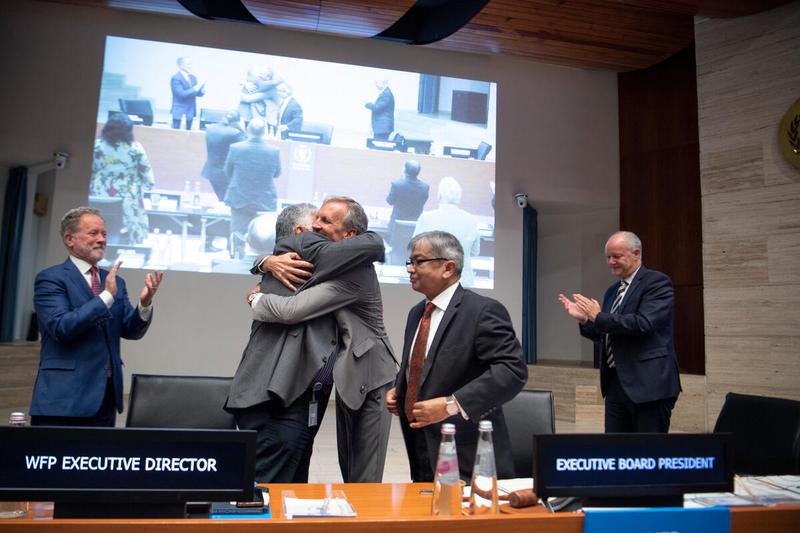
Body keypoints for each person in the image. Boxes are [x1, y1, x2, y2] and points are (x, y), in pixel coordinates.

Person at [225, 203, 387, 483]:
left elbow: (373, 243)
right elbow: (290, 311)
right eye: (313, 223)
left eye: (323, 222)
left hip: (344, 387)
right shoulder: (293, 267)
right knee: (273, 489)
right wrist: (264, 267)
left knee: (308, 481)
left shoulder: (330, 267)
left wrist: (259, 277)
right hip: (276, 399)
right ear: (299, 234)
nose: (315, 227)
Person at [385, 231, 527, 482]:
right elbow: (423, 363)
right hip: (420, 442)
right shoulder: (417, 312)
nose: (410, 269)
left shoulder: (483, 311)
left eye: (418, 261)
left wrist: (451, 404)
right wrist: (400, 388)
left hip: (466, 450)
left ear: (448, 267)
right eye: (410, 262)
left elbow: (512, 371)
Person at [29, 207, 163, 427]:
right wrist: (106, 297)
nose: (102, 239)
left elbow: (130, 330)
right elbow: (61, 327)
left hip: (105, 398)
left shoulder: (113, 281)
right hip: (63, 399)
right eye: (93, 233)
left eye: (104, 234)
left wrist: (145, 304)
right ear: (70, 239)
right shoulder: (51, 279)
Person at [558, 231, 681, 433]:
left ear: (636, 253)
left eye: (617, 256)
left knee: (647, 455)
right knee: (614, 452)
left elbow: (644, 323)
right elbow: (608, 334)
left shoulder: (657, 282)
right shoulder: (612, 291)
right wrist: (585, 320)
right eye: (608, 257)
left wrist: (598, 316)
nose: (611, 262)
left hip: (649, 386)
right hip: (616, 384)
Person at [90, 112, 155, 245]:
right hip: (128, 197)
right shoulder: (135, 148)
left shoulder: (96, 146)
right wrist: (148, 185)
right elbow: (145, 171)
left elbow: (88, 169)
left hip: (99, 195)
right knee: (128, 235)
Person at [223, 118, 281, 257]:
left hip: (240, 198)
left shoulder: (236, 148)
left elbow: (227, 171)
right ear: (264, 132)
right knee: (265, 236)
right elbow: (277, 173)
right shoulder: (273, 151)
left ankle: (236, 258)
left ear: (248, 130)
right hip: (264, 200)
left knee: (237, 232)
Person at [413, 177, 480, 287]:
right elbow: (475, 252)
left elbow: (415, 249)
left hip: (433, 280)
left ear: (439, 195)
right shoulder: (471, 220)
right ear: (459, 197)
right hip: (463, 282)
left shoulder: (426, 218)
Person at [201, 110, 245, 202]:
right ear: (236, 122)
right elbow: (247, 146)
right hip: (226, 174)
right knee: (230, 201)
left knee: (222, 199)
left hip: (211, 171)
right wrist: (241, 128)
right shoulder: (235, 133)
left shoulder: (210, 128)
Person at [386, 159, 429, 232]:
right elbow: (423, 202)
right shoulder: (425, 187)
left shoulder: (396, 184)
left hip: (396, 225)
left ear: (404, 170)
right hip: (415, 225)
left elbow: (390, 201)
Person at [239, 66, 281, 135]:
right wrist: (244, 83)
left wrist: (244, 86)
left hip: (271, 124)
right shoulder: (262, 86)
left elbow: (247, 99)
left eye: (261, 74)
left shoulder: (271, 89)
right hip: (259, 122)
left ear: (268, 77)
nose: (258, 76)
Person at [170, 56, 205, 130]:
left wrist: (202, 90)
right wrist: (196, 87)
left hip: (191, 111)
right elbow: (181, 95)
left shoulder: (193, 78)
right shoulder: (176, 78)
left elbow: (196, 93)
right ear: (180, 65)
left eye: (191, 64)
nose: (190, 66)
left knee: (188, 135)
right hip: (179, 112)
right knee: (176, 135)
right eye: (188, 64)